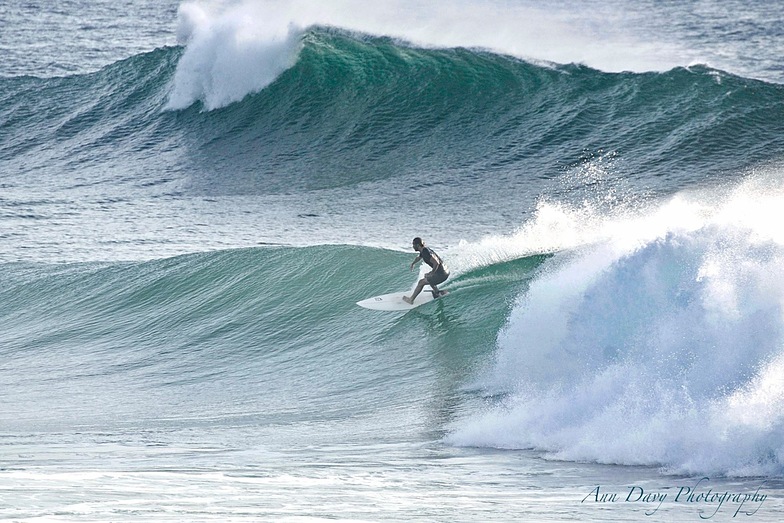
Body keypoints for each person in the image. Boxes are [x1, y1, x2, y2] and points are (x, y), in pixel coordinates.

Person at [403, 237, 449, 304]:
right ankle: (437, 292)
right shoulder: (424, 250)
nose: (412, 246)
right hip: (445, 272)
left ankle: (411, 300)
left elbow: (436, 262)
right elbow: (419, 257)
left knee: (421, 282)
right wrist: (413, 263)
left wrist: (432, 273)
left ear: (418, 245)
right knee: (427, 276)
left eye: (413, 245)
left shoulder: (425, 252)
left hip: (442, 274)